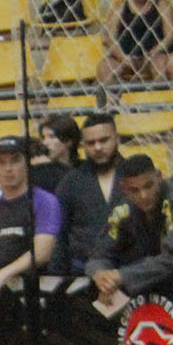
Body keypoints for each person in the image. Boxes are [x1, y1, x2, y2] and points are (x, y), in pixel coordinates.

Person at [89, 153, 173, 298]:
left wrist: (122, 276)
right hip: (160, 281)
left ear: (159, 177)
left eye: (148, 186)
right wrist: (101, 275)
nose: (144, 195)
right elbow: (99, 254)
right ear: (124, 188)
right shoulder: (124, 210)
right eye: (134, 190)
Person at [0, 136, 60, 302]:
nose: (8, 169)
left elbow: (41, 253)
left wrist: (2, 276)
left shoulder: (44, 201)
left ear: (26, 163)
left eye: (15, 161)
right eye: (1, 163)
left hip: (37, 292)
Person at [55, 114, 123, 274]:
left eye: (104, 140)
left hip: (131, 269)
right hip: (83, 271)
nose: (98, 147)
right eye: (91, 143)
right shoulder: (71, 182)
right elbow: (60, 234)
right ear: (83, 145)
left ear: (117, 139)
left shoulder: (135, 176)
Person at [98, 0, 173, 85]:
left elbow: (170, 37)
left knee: (160, 64)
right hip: (125, 56)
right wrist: (122, 57)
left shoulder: (162, 5)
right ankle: (113, 94)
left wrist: (154, 52)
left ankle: (160, 93)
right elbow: (109, 38)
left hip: (154, 55)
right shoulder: (120, 6)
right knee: (105, 67)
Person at [33, 114, 80, 193]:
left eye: (52, 137)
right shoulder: (40, 171)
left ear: (69, 141)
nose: (45, 142)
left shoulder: (85, 169)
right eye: (43, 137)